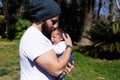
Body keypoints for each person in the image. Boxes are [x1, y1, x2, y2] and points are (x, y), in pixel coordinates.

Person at [19, 0, 74, 80]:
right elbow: (57, 69)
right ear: (42, 18)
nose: (56, 26)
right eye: (53, 21)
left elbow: (55, 68)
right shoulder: (33, 37)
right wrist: (69, 47)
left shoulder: (40, 37)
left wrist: (63, 68)